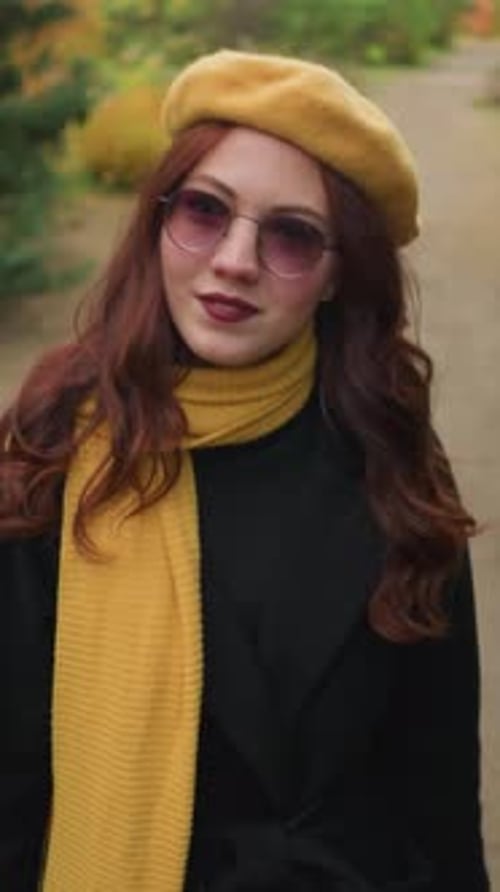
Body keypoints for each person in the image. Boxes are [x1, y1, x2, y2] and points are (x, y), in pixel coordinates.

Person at [0, 49, 490, 892]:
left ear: (341, 274)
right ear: (160, 221)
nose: (233, 259)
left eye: (293, 235)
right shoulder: (53, 445)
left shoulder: (394, 465)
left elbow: (437, 799)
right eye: (204, 210)